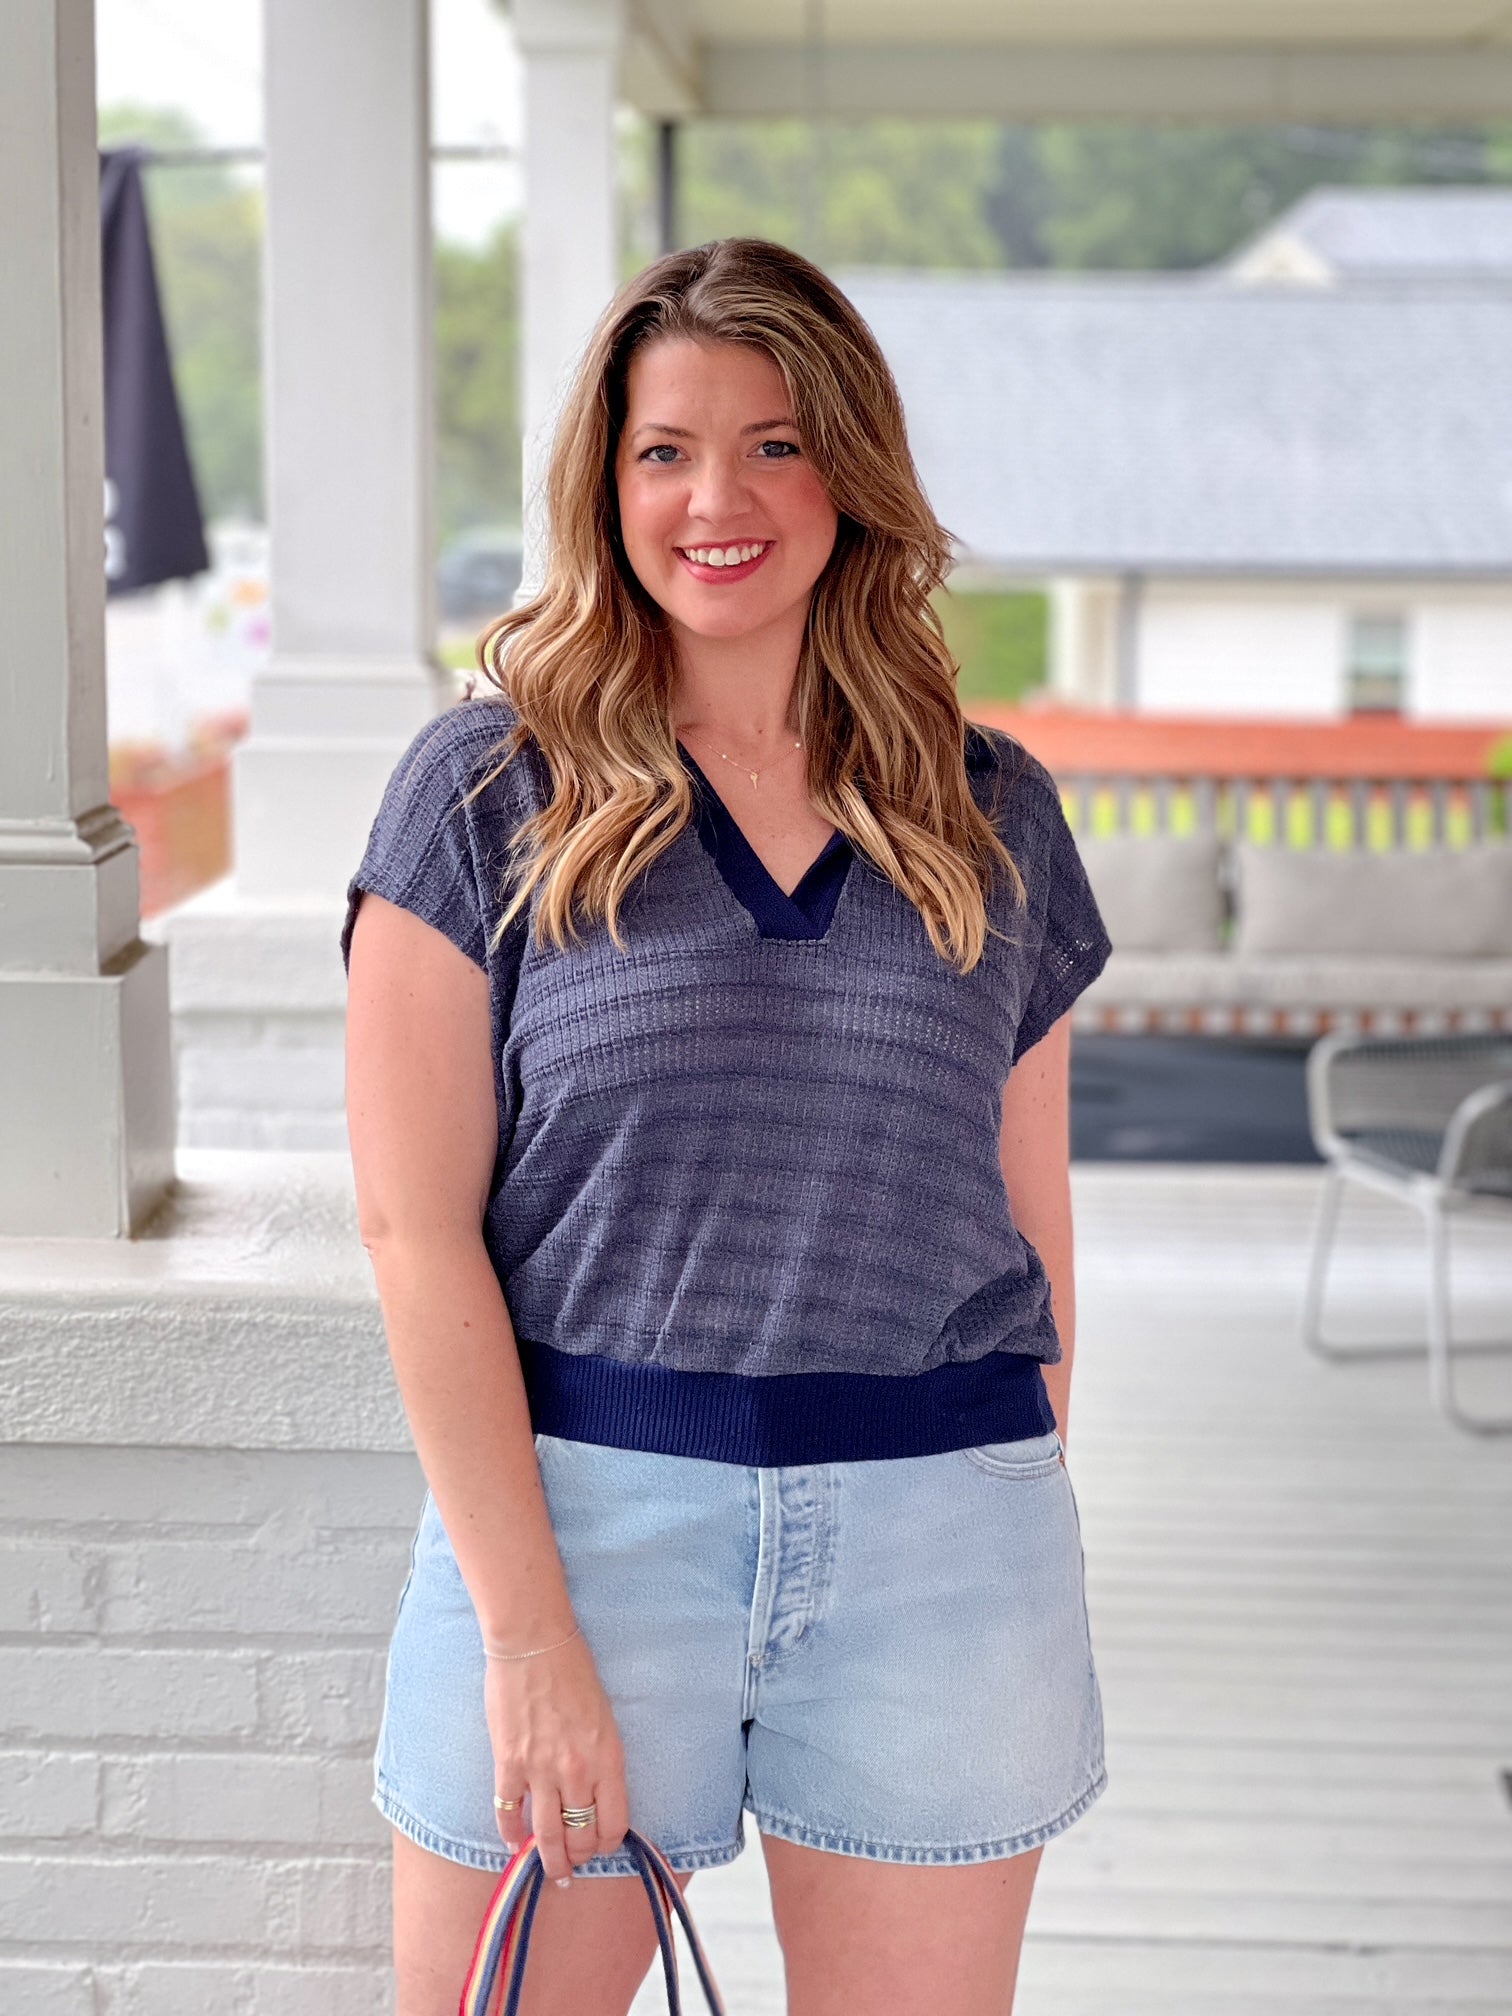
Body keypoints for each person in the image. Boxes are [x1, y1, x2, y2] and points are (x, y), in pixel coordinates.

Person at [341, 236, 1113, 2016]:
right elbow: (412, 1229)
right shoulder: (483, 791)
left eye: (776, 443)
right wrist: (529, 1631)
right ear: (606, 489)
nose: (719, 497)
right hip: (583, 1527)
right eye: (666, 450)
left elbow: (1029, 1215)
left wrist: (1012, 1492)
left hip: (941, 1536)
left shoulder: (991, 813)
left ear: (850, 469)